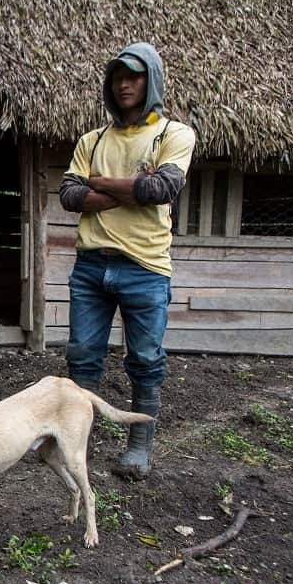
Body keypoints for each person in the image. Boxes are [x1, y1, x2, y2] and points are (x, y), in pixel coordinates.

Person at [59, 42, 195, 481]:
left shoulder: (174, 134)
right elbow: (69, 196)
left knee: (146, 357)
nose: (124, 84)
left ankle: (139, 445)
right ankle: (80, 443)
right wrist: (129, 185)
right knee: (82, 355)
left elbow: (161, 190)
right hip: (92, 265)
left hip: (146, 267)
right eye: (118, 76)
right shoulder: (92, 139)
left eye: (134, 76)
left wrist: (99, 184)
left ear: (151, 79)